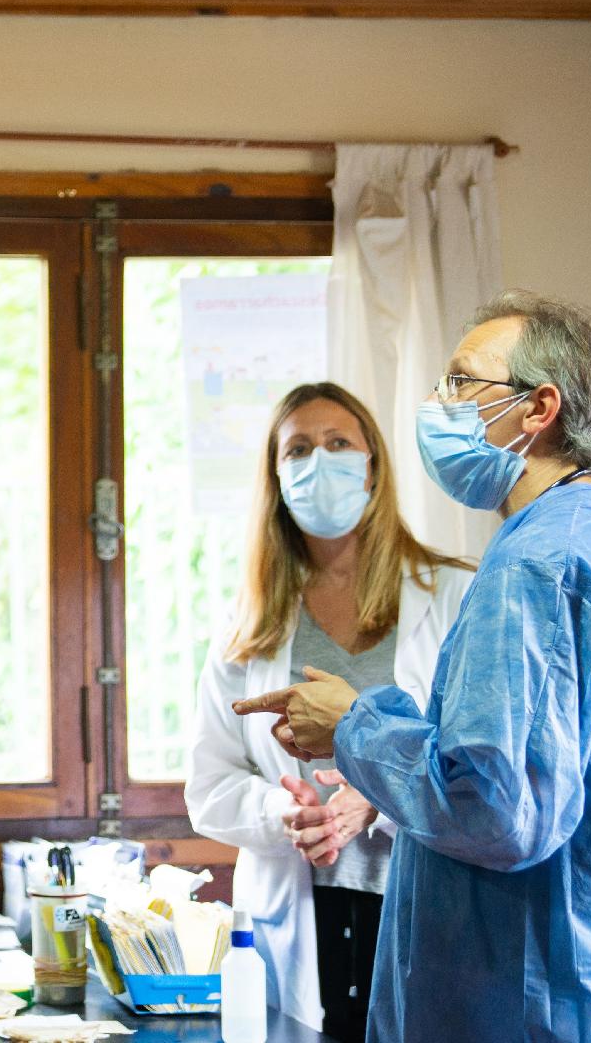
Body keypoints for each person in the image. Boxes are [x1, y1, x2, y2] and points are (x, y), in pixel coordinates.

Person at [234, 291, 591, 1041]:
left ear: (538, 409)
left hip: (534, 994)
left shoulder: (540, 562)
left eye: (460, 384)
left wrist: (353, 727)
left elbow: (497, 812)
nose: (437, 406)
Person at [185, 383, 473, 1038]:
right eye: (299, 449)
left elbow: (482, 767)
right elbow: (210, 785)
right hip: (295, 907)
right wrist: (285, 811)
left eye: (339, 443)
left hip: (418, 900)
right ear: (276, 478)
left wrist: (378, 794)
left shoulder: (455, 595)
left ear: (373, 466)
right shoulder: (250, 625)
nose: (319, 462)